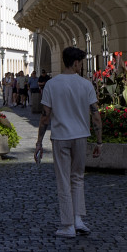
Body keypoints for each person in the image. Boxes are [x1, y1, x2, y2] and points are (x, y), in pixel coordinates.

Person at [35, 46, 102, 237]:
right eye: (81, 63)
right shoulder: (86, 85)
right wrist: (99, 142)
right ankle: (78, 219)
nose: (81, 66)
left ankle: (68, 225)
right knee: (78, 177)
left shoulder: (52, 85)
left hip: (60, 137)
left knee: (63, 180)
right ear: (76, 63)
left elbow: (45, 117)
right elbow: (96, 115)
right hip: (81, 136)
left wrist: (39, 142)